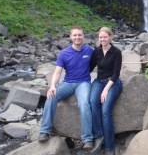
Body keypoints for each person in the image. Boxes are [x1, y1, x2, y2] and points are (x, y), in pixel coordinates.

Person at [38, 26, 94, 150]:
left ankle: (88, 139)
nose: (77, 37)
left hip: (84, 83)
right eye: (75, 35)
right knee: (51, 96)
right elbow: (57, 72)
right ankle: (44, 131)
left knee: (84, 104)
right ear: (70, 37)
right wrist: (52, 86)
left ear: (83, 36)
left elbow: (102, 57)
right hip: (68, 83)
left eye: (79, 35)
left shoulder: (89, 50)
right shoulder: (64, 54)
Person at [90, 27, 123, 155]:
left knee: (105, 110)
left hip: (113, 82)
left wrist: (105, 90)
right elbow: (89, 68)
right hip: (99, 81)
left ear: (110, 37)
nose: (103, 39)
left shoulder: (116, 52)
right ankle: (99, 136)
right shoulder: (96, 52)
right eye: (100, 37)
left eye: (105, 37)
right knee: (93, 102)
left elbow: (116, 74)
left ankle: (110, 146)